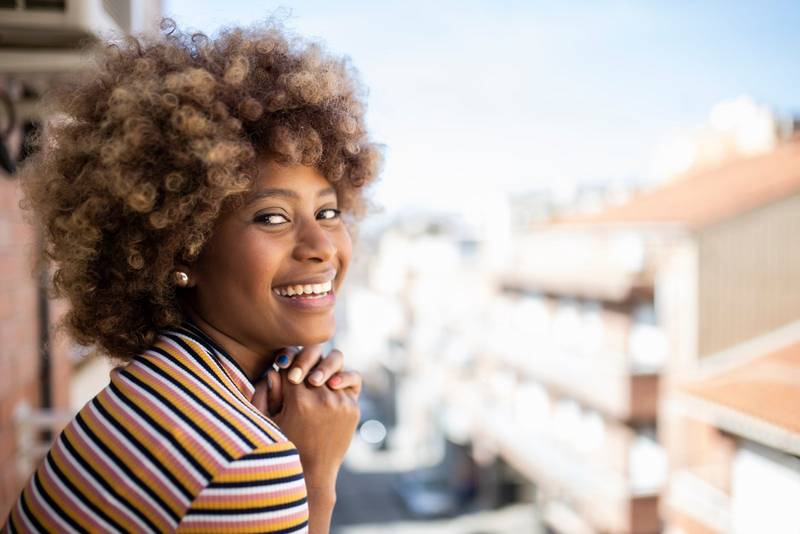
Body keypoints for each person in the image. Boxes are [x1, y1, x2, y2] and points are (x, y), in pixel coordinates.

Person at [4, 17, 381, 534]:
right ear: (183, 248)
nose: (321, 248)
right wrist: (315, 473)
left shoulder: (154, 383)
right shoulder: (245, 461)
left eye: (329, 212)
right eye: (272, 217)